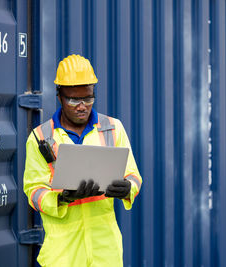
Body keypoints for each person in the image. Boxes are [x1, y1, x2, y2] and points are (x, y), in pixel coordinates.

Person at [23, 54, 142, 267]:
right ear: (59, 96)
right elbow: (34, 190)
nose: (82, 106)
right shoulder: (39, 137)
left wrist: (127, 188)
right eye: (74, 99)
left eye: (88, 98)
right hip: (63, 256)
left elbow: (133, 175)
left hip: (105, 254)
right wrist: (62, 198)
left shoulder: (113, 128)